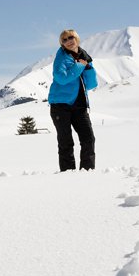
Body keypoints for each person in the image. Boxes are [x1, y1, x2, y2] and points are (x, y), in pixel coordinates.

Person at [48, 29, 98, 171]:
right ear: (62, 44)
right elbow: (61, 78)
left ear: (77, 39)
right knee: (66, 142)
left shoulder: (84, 57)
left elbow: (92, 84)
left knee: (89, 139)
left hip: (80, 105)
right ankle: (68, 175)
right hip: (60, 105)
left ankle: (87, 172)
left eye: (71, 37)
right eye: (64, 40)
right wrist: (79, 66)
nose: (68, 41)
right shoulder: (61, 58)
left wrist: (87, 67)